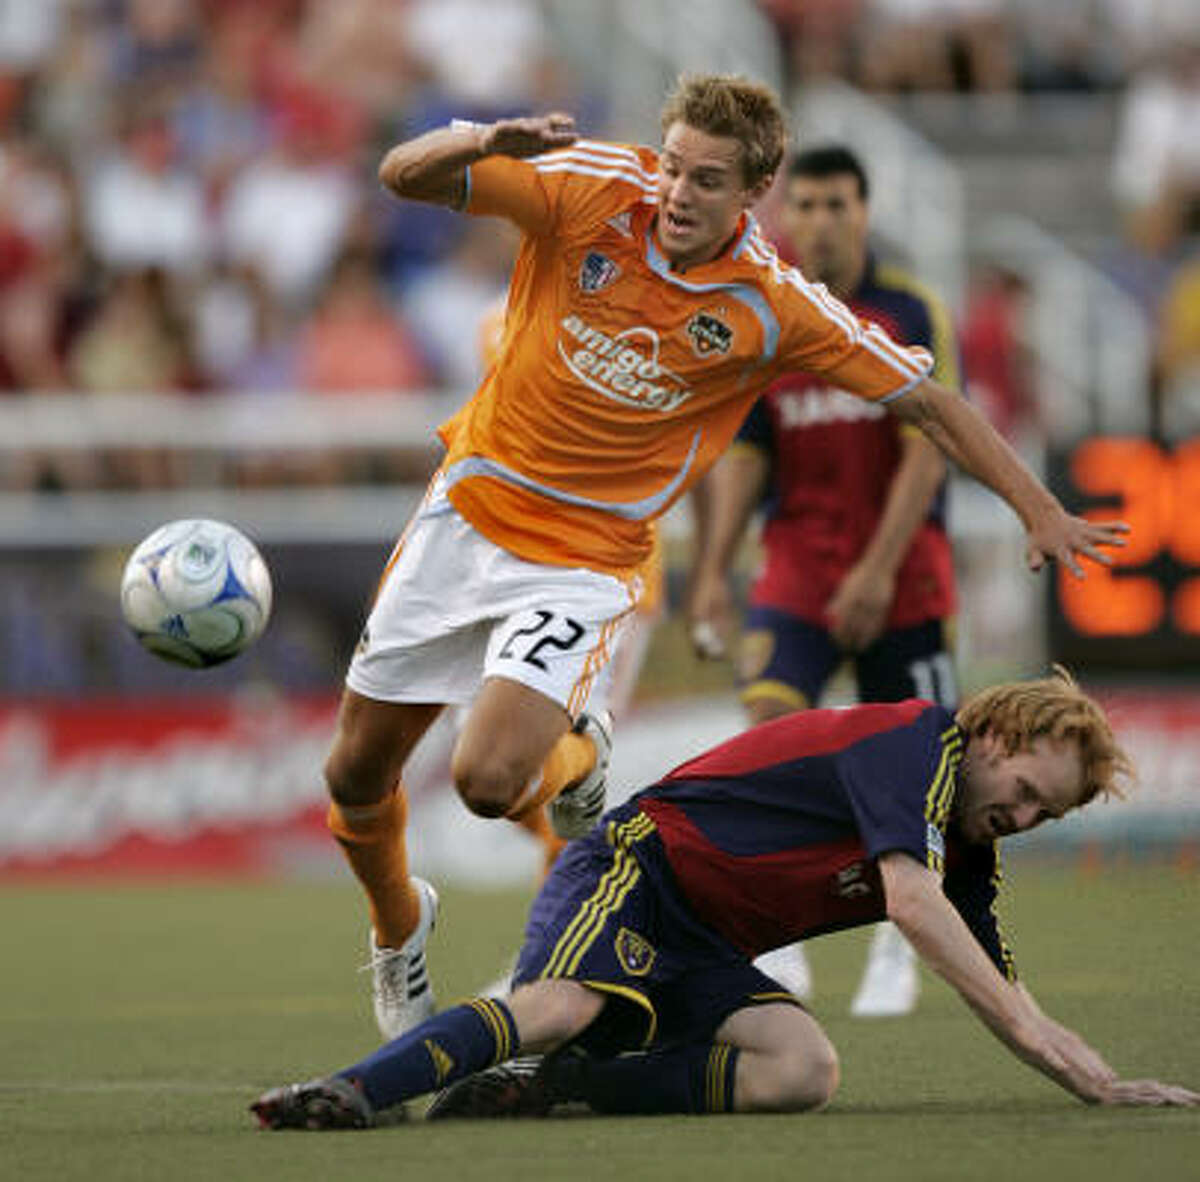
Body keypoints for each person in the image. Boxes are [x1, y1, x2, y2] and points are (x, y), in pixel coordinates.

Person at [325, 72, 1127, 1045]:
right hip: (469, 512)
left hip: (585, 556)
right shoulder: (588, 186)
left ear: (756, 193)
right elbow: (400, 176)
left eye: (708, 180)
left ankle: (580, 754)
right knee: (355, 780)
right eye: (672, 166)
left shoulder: (774, 304)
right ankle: (399, 929)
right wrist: (481, 140)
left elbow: (933, 404)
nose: (677, 192)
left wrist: (1041, 510)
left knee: (489, 782)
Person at [250, 668, 1198, 1128]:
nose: (1027, 816)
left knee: (803, 1070)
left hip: (701, 943)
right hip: (637, 871)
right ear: (993, 735)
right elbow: (911, 906)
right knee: (562, 1003)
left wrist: (1094, 1070)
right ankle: (354, 1092)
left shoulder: (964, 850)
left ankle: (559, 1088)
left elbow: (1001, 983)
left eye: (1048, 815)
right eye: (1029, 790)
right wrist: (1057, 1058)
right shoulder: (915, 746)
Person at [687, 144, 960, 1017]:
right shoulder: (769, 318)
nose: (821, 221)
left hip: (902, 572)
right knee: (770, 728)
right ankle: (785, 944)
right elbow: (747, 454)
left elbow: (929, 454)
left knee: (921, 768)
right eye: (804, 206)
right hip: (799, 565)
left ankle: (899, 940)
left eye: (838, 204)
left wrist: (879, 571)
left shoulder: (911, 310)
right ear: (786, 217)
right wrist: (716, 572)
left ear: (864, 213)